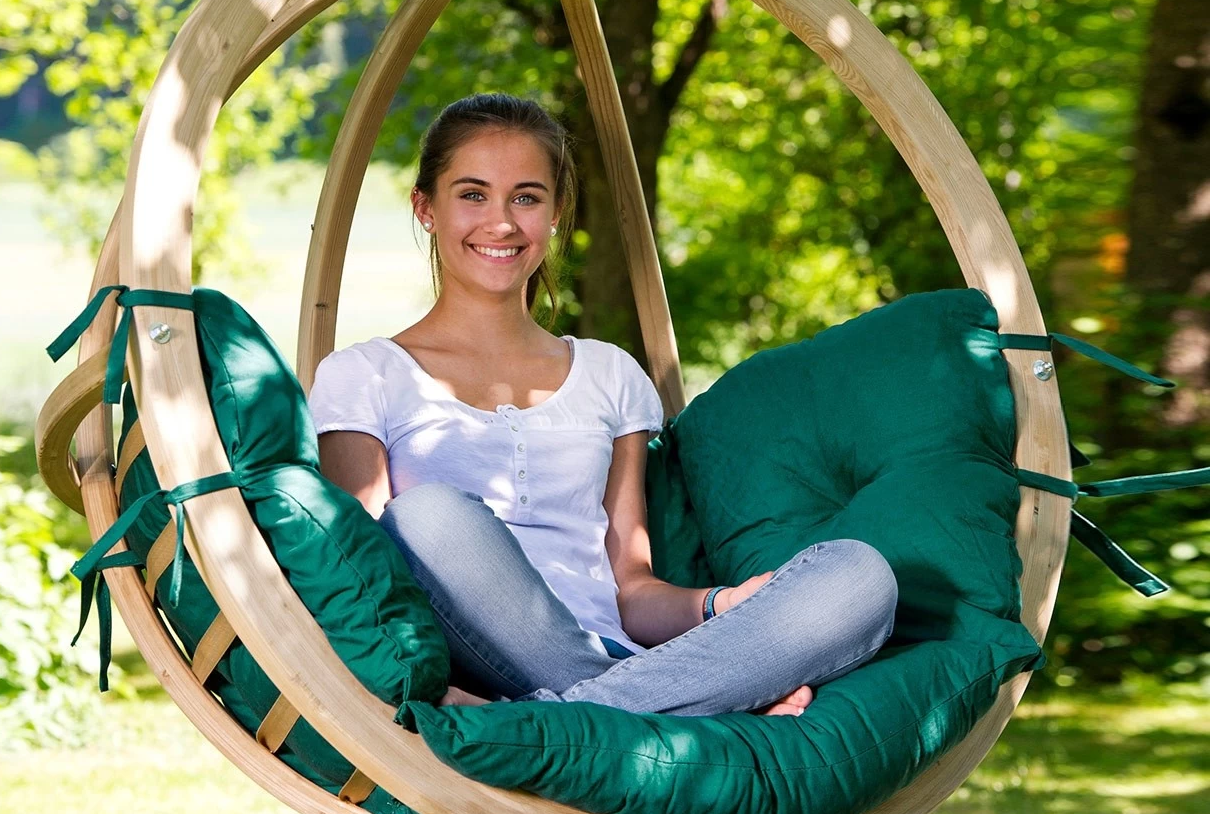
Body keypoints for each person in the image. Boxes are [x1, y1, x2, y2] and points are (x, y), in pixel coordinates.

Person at [307, 93, 897, 718]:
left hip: (611, 655)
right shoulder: (363, 374)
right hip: (469, 652)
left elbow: (631, 589)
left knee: (860, 576)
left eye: (527, 197)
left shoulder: (610, 374)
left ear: (556, 213)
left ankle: (573, 715)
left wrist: (721, 606)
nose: (502, 223)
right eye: (472, 194)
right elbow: (364, 580)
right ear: (426, 208)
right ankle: (699, 704)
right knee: (425, 518)